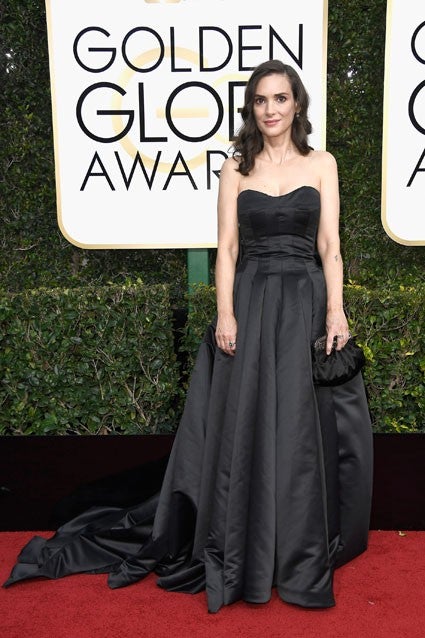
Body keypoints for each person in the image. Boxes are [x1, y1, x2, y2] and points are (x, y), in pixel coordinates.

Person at [4, 60, 373, 613]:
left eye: (279, 98)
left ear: (297, 103)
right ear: (251, 109)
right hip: (251, 299)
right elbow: (227, 248)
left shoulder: (323, 164)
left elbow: (330, 246)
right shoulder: (235, 167)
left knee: (299, 426)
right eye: (260, 100)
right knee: (249, 422)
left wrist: (336, 312)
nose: (270, 109)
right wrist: (225, 314)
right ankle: (245, 540)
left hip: (305, 303)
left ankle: (296, 546)